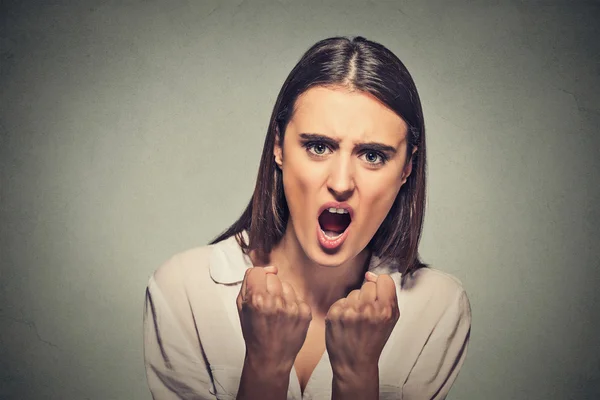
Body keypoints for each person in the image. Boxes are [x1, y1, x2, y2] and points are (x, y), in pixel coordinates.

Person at [143, 36, 472, 400]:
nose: (342, 183)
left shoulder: (437, 305)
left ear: (407, 168)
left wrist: (357, 375)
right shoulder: (185, 290)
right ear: (279, 147)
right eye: (319, 147)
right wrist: (266, 366)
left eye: (373, 156)